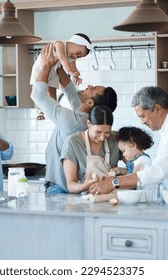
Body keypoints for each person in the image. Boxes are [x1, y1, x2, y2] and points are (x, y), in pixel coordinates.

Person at [31, 43, 118, 194]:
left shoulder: (72, 122)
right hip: (79, 188)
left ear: (90, 102)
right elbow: (69, 89)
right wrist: (60, 62)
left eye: (92, 88)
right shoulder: (85, 115)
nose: (89, 85)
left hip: (60, 187)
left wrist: (46, 67)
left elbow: (38, 95)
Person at [30, 33, 93, 120]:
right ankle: (39, 110)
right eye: (78, 53)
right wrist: (70, 71)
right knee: (38, 90)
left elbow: (73, 66)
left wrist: (75, 75)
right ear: (73, 42)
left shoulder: (72, 55)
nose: (75, 56)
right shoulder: (60, 44)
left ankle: (53, 110)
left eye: (78, 56)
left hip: (54, 71)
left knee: (52, 92)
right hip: (41, 68)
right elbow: (62, 58)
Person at [61, 105, 121, 193]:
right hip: (84, 199)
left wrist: (120, 171)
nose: (102, 138)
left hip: (111, 196)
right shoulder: (72, 143)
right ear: (88, 124)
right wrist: (83, 186)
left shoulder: (115, 139)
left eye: (107, 132)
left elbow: (135, 167)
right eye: (98, 132)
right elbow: (71, 185)